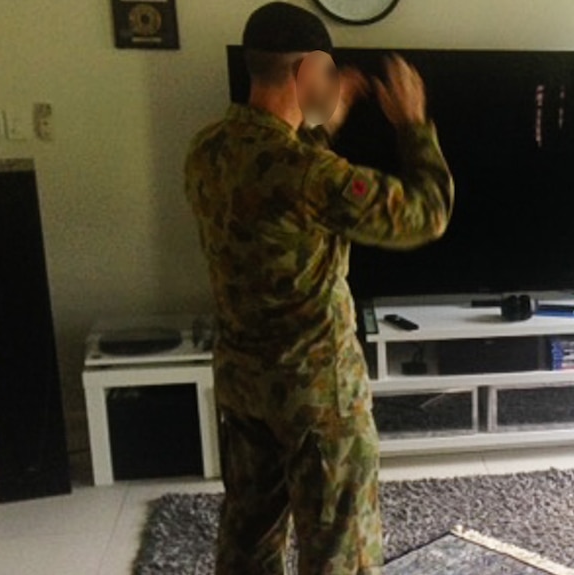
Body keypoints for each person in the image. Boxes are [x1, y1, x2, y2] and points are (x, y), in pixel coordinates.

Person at [184, 3, 454, 574]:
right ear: (306, 71)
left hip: (243, 383)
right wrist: (413, 122)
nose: (333, 85)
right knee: (340, 550)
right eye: (329, 73)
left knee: (248, 535)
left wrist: (324, 122)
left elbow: (278, 184)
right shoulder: (311, 177)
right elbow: (426, 213)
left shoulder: (206, 151)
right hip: (317, 395)